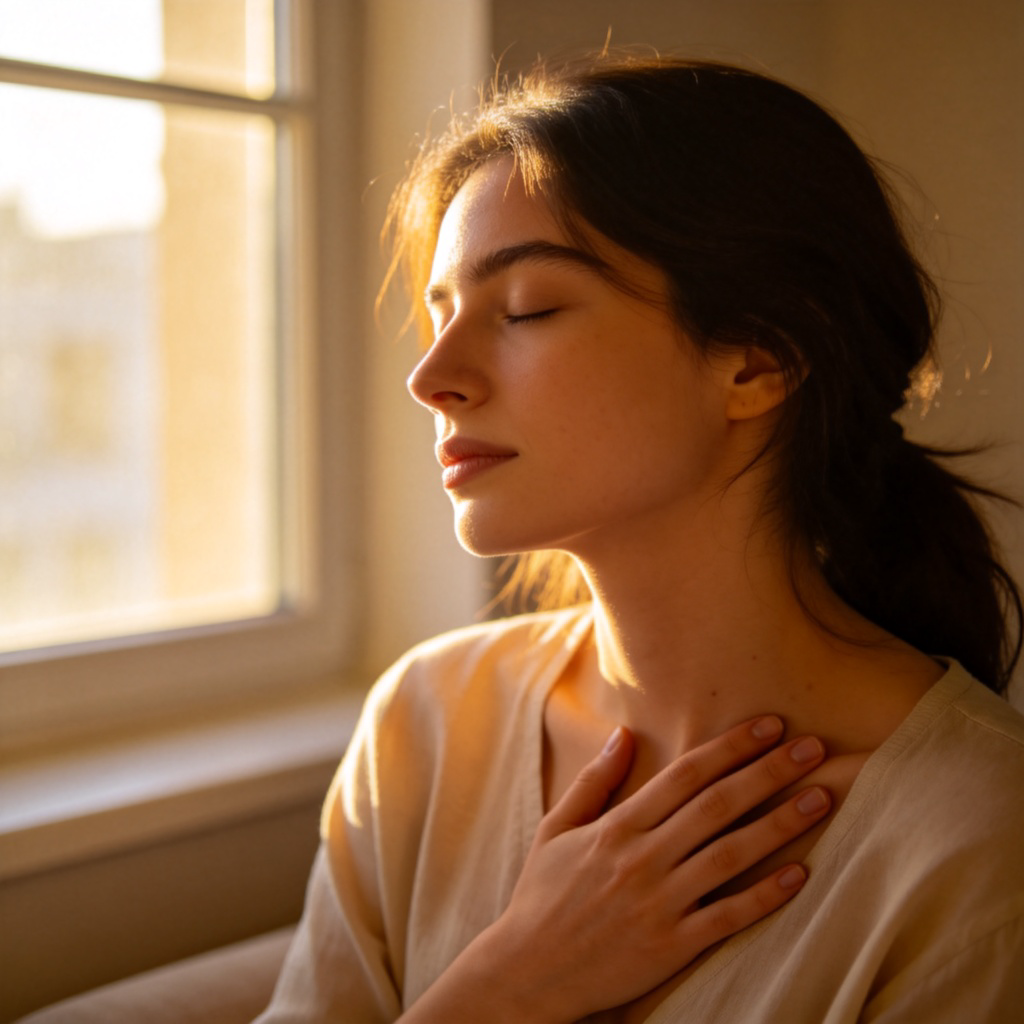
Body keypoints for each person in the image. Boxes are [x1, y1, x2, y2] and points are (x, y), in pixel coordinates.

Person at [255, 55, 1024, 1023]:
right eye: (441, 312)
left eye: (526, 307)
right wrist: (506, 986)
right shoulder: (425, 725)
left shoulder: (975, 841)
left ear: (760, 358)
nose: (432, 377)